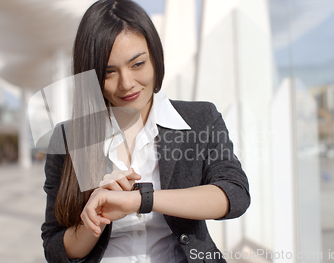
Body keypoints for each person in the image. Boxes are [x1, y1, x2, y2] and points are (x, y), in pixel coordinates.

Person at [41, 1, 250, 262]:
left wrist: (141, 200)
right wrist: (94, 221)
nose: (127, 84)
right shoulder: (67, 138)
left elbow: (235, 194)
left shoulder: (200, 120)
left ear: (154, 56)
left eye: (137, 64)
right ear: (90, 75)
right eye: (109, 72)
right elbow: (54, 249)